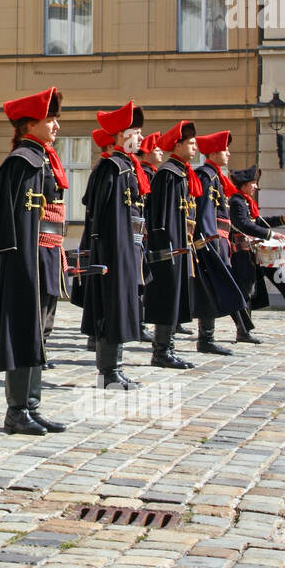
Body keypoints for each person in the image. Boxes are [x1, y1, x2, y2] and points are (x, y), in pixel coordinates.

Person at [0, 87, 69, 435]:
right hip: (26, 262)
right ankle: (16, 412)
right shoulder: (21, 163)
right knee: (22, 331)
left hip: (46, 256)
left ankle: (32, 405)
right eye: (50, 119)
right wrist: (19, 267)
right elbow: (8, 223)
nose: (56, 126)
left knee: (39, 334)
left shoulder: (43, 158)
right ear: (30, 124)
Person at [77, 100, 147, 389]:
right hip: (113, 251)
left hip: (128, 248)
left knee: (123, 308)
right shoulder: (111, 168)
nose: (141, 138)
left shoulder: (129, 168)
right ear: (121, 136)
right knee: (111, 309)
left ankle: (115, 367)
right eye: (136, 132)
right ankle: (108, 372)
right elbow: (100, 213)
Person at [143, 120, 198, 370]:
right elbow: (159, 217)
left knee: (175, 298)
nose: (195, 147)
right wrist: (163, 247)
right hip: (168, 249)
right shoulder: (168, 174)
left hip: (178, 245)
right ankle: (162, 351)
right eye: (191, 143)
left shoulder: (180, 173)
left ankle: (167, 348)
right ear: (178, 145)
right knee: (167, 298)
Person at [192, 130, 249, 351]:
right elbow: (205, 211)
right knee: (211, 289)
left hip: (220, 241)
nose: (228, 154)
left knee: (217, 288)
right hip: (212, 241)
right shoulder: (207, 176)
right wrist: (209, 241)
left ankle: (213, 337)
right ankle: (206, 340)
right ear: (214, 152)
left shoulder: (215, 175)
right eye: (224, 150)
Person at [226, 165, 285, 337]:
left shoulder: (245, 201)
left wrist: (281, 220)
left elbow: (257, 222)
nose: (256, 186)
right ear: (245, 185)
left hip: (248, 252)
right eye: (253, 183)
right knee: (244, 290)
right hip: (239, 253)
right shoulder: (236, 202)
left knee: (249, 291)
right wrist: (271, 234)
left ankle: (244, 330)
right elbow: (244, 224)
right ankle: (243, 330)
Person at [136, 133, 163, 344]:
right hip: (141, 232)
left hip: (145, 232)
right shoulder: (144, 172)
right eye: (156, 149)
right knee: (140, 280)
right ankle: (139, 323)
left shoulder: (152, 173)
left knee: (145, 278)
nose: (161, 152)